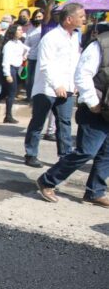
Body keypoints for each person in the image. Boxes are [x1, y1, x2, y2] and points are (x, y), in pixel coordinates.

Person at [35, 27, 109, 208]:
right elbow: (82, 75)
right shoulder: (101, 44)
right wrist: (93, 103)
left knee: (107, 153)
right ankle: (47, 180)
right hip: (96, 108)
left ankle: (95, 192)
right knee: (86, 151)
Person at [24, 3, 85, 167]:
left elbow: (75, 63)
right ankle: (31, 154)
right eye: (81, 16)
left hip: (68, 88)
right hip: (47, 88)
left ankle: (64, 155)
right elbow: (45, 65)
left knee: (64, 123)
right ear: (69, 19)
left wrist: (76, 83)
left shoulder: (75, 37)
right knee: (38, 122)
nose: (84, 19)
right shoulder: (51, 38)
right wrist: (57, 84)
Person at [24, 9, 44, 102]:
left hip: (41, 58)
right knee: (29, 80)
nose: (37, 19)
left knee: (35, 79)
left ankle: (35, 98)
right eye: (36, 17)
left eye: (39, 17)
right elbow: (26, 43)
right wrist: (24, 55)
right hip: (31, 57)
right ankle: (29, 97)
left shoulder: (44, 29)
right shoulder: (31, 29)